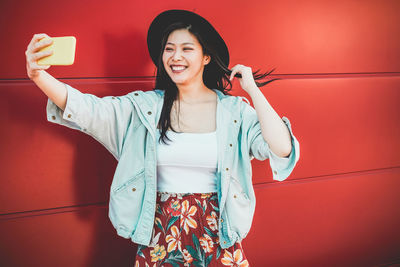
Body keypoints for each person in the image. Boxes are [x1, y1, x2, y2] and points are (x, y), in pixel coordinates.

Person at [25, 9, 300, 267]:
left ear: (206, 57)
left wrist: (252, 90)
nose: (175, 56)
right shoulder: (145, 108)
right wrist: (38, 76)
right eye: (169, 49)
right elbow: (89, 110)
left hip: (219, 235)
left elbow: (281, 148)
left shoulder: (235, 111)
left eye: (186, 49)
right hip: (160, 233)